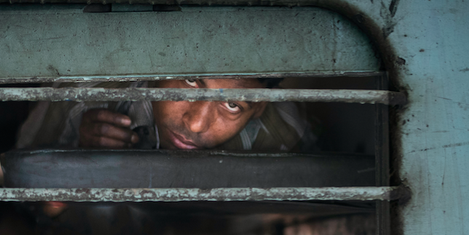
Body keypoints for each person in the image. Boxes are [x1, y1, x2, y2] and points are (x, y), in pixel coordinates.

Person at [16, 78, 310, 153]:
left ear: (259, 107)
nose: (195, 123)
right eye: (191, 81)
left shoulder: (283, 136)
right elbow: (26, 201)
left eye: (232, 105)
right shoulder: (81, 95)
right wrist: (78, 159)